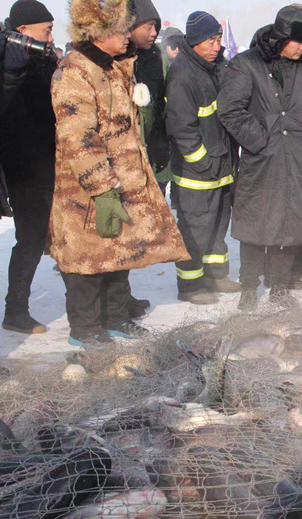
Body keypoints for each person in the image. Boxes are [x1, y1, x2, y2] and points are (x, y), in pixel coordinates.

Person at [51, 0, 188, 347]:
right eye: (121, 29)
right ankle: (84, 329)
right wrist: (102, 188)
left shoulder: (114, 68)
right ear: (99, 31)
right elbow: (78, 136)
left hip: (121, 181)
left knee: (119, 253)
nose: (128, 36)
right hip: (87, 189)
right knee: (87, 260)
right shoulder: (75, 71)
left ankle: (115, 318)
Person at [218, 6, 302, 309]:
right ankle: (249, 287)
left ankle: (280, 286)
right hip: (262, 159)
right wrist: (260, 140)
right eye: (298, 42)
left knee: (290, 225)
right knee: (256, 226)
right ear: (280, 37)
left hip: (298, 158)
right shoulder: (247, 64)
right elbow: (229, 109)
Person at [166, 11, 240, 305]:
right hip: (197, 174)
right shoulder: (183, 75)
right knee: (195, 230)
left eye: (219, 39)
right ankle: (190, 285)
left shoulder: (214, 68)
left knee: (219, 225)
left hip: (220, 167)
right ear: (195, 41)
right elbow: (183, 130)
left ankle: (215, 275)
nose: (217, 46)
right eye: (211, 40)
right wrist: (203, 163)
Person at [0, 0, 57, 334]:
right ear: (23, 31)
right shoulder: (9, 63)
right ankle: (16, 309)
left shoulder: (42, 59)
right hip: (23, 169)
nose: (50, 38)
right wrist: (10, 74)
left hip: (49, 162)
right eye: (46, 31)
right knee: (31, 239)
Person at [127, 0, 169, 318]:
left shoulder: (154, 60)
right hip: (120, 158)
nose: (154, 32)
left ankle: (121, 296)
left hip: (146, 153)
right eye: (148, 26)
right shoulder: (114, 60)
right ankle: (106, 304)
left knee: (130, 234)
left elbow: (158, 107)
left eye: (156, 26)